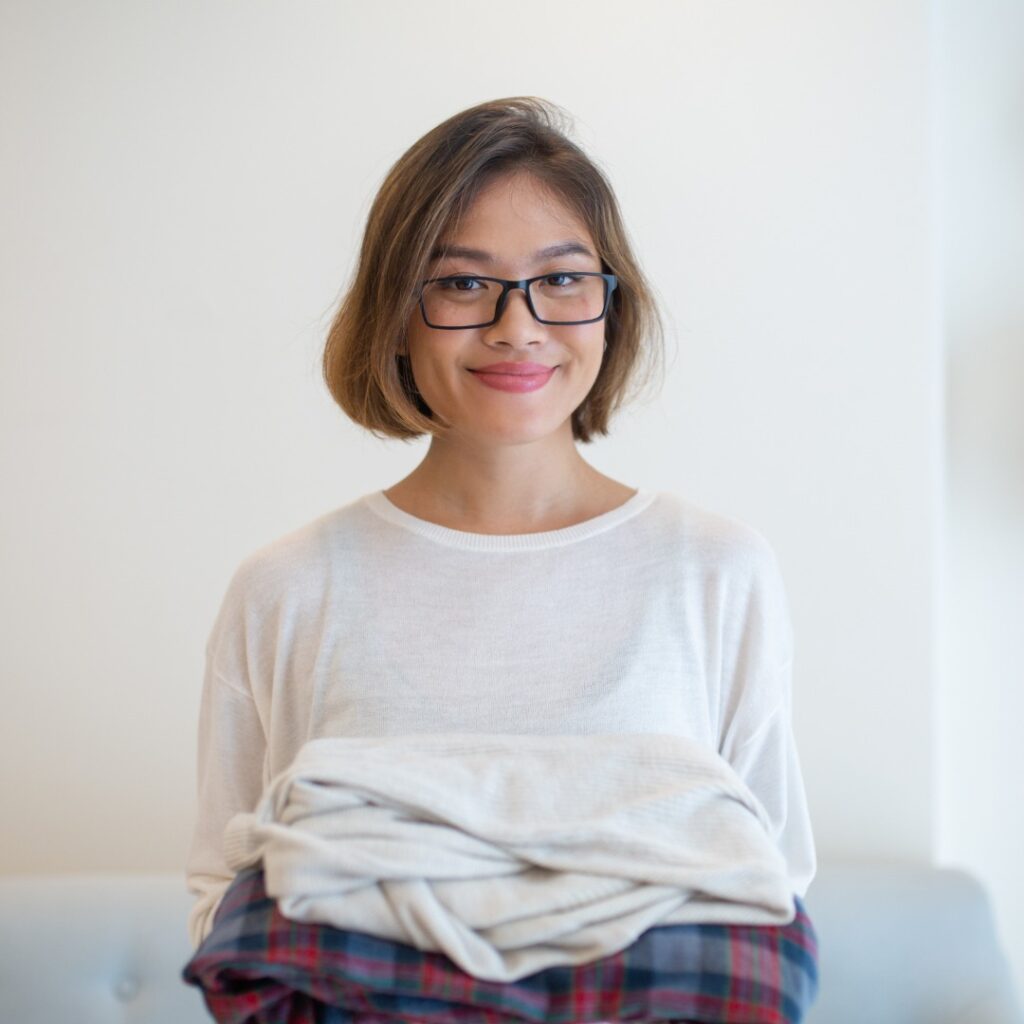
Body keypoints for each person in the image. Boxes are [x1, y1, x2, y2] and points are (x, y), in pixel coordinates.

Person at [185, 96, 817, 953]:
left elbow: (767, 885)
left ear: (610, 305)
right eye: (460, 283)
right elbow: (226, 903)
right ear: (396, 315)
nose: (516, 328)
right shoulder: (287, 587)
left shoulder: (714, 570)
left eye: (560, 279)